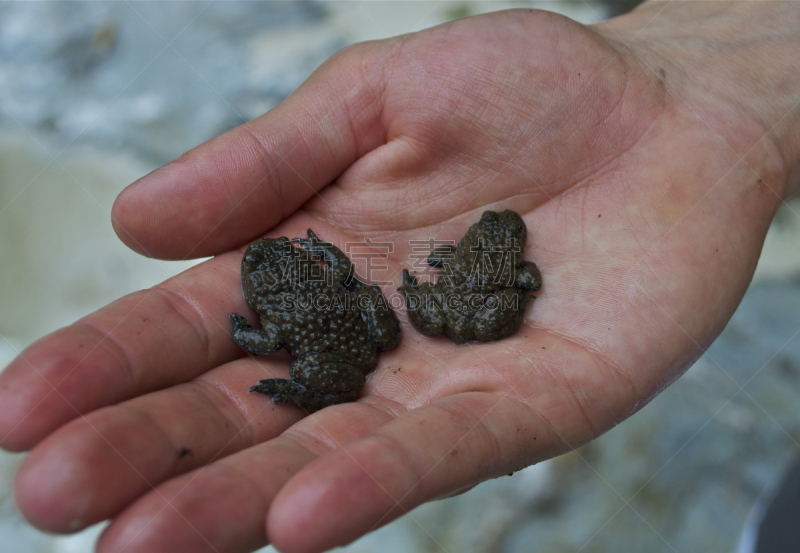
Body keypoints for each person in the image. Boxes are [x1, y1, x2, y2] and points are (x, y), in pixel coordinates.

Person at [1, 2, 798, 552]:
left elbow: (273, 331)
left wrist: (249, 336)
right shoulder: (368, 290)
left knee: (334, 344)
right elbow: (322, 315)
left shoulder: (291, 314)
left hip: (352, 326)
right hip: (355, 326)